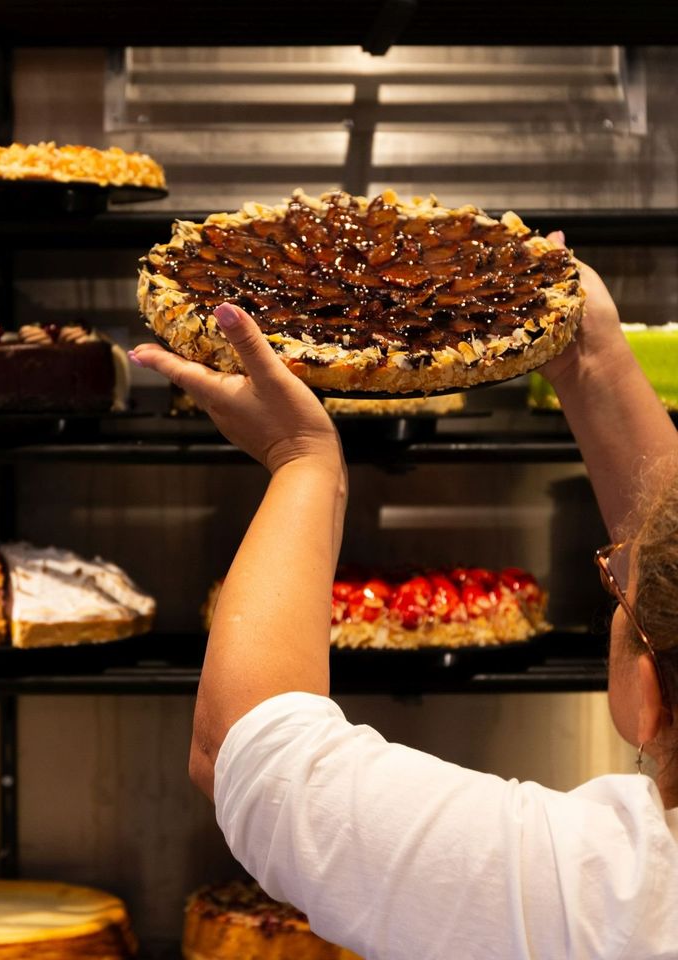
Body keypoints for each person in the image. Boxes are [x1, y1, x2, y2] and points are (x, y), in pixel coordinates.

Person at [129, 235, 678, 959]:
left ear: (646, 697)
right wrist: (590, 358)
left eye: (618, 585)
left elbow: (245, 750)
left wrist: (302, 460)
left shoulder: (592, 898)